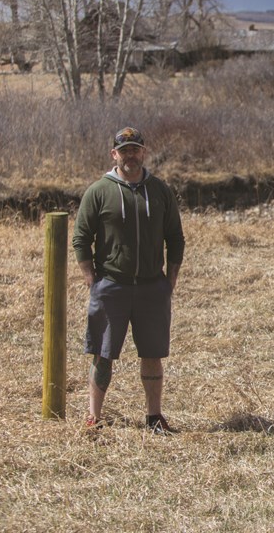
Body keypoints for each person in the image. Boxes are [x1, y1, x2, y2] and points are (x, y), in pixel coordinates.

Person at [72, 127, 185, 435]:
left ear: (143, 153)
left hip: (152, 287)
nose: (130, 155)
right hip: (111, 286)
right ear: (114, 155)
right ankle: (94, 417)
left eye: (135, 149)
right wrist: (90, 280)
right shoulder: (99, 191)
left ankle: (154, 418)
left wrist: (170, 282)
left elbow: (175, 238)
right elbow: (81, 238)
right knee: (103, 353)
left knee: (152, 354)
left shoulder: (159, 191)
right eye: (124, 151)